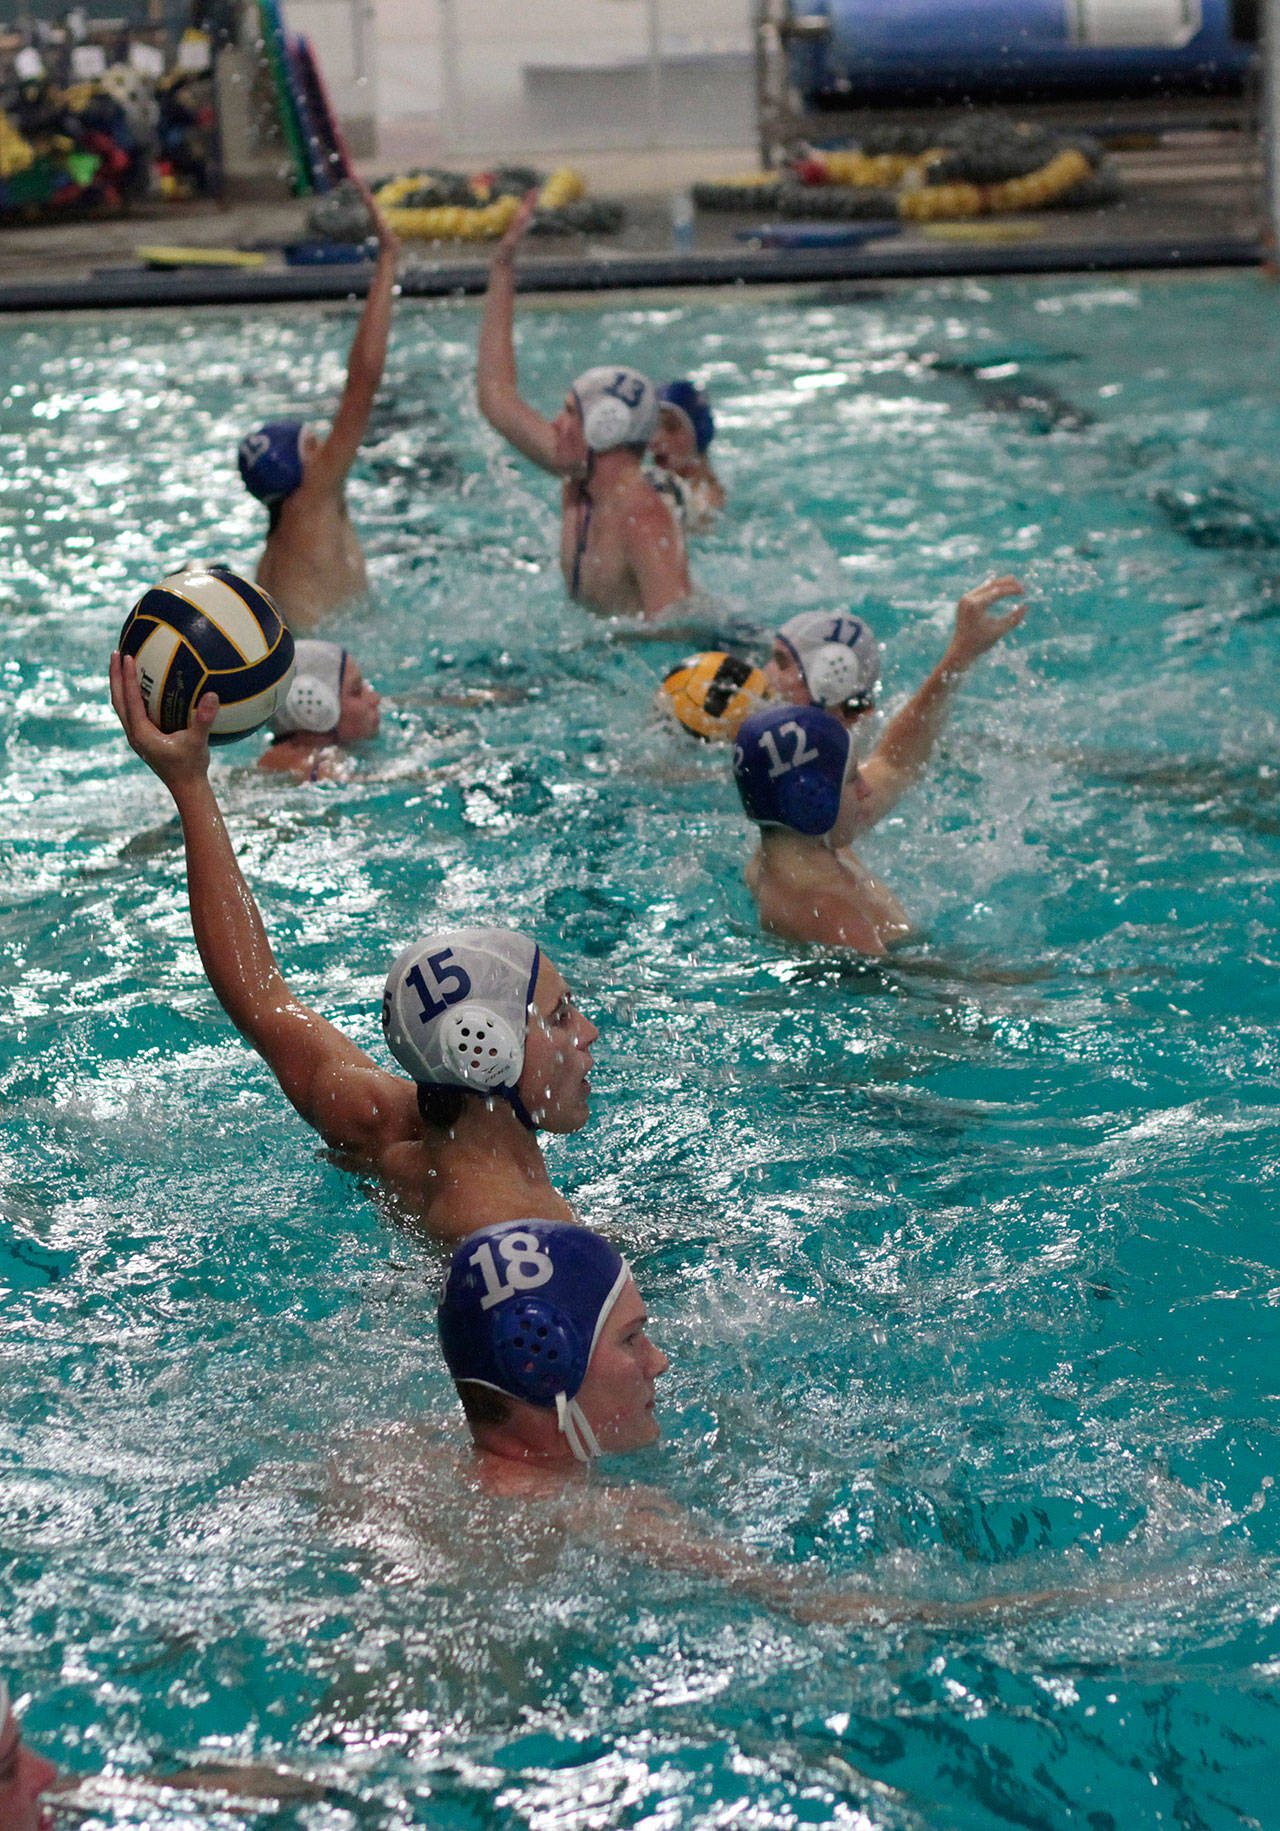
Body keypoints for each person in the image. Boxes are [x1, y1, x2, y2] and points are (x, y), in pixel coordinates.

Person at [109, 652, 598, 1241]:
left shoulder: (380, 1125)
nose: (587, 1031)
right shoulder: (527, 1238)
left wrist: (188, 782)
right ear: (485, 1050)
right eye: (560, 1016)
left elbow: (261, 997)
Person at [406, 1218, 1106, 1627]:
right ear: (544, 1364)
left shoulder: (397, 1462)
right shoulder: (603, 1521)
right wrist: (1092, 1599)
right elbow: (834, 1611)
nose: (660, 1360)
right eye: (630, 1340)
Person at [737, 576, 1029, 954]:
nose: (866, 788)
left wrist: (960, 655)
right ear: (814, 799)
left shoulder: (795, 846)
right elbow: (910, 991)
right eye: (851, 779)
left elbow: (896, 762)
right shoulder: (830, 913)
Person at [476, 191, 692, 621]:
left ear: (605, 427)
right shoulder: (579, 476)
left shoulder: (643, 519)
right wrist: (501, 267)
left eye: (570, 412)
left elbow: (676, 631)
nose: (556, 424)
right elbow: (496, 398)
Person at [240, 194, 400, 631]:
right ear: (303, 467)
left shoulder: (272, 553)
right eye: (314, 444)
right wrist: (388, 259)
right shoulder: (313, 496)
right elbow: (362, 383)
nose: (328, 447)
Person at [256, 638, 382, 780]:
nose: (375, 698)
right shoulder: (313, 768)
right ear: (313, 706)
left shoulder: (281, 763)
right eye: (356, 690)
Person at [650, 379, 725, 533]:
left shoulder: (707, 498)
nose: (656, 439)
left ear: (698, 434)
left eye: (671, 428)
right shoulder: (655, 484)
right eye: (653, 426)